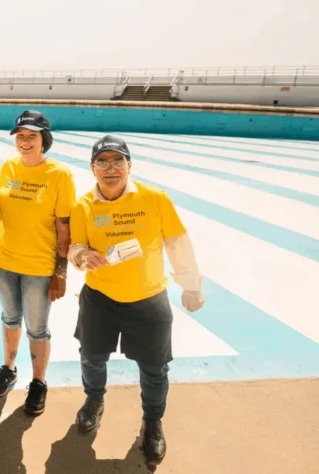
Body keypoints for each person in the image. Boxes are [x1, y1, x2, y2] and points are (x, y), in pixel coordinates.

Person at [68, 134, 205, 463]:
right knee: (91, 357)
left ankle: (153, 422)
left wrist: (191, 285)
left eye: (118, 161)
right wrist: (82, 256)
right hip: (99, 297)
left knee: (155, 368)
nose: (110, 168)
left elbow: (176, 242)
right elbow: (75, 246)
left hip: (148, 298)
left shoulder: (155, 198)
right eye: (103, 161)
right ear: (92, 168)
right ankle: (94, 401)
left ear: (130, 165)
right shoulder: (83, 206)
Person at [0, 110, 76, 417]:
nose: (25, 142)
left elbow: (64, 226)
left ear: (44, 139)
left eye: (32, 136)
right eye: (20, 136)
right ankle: (8, 369)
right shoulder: (8, 167)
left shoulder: (59, 175)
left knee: (37, 328)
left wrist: (61, 272)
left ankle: (38, 382)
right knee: (10, 318)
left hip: (39, 266)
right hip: (4, 261)